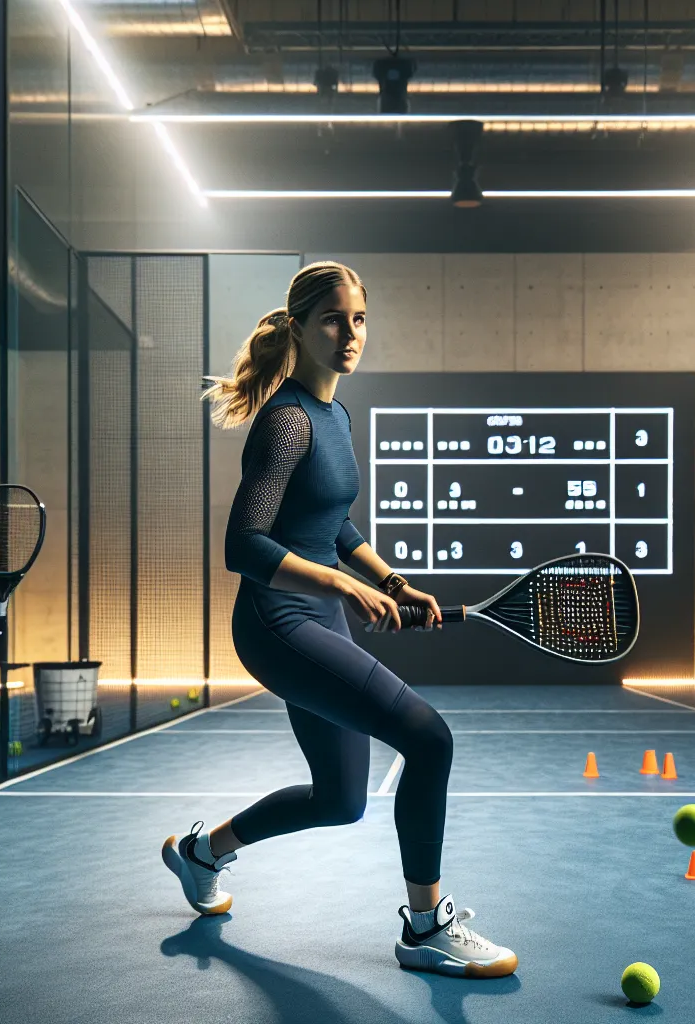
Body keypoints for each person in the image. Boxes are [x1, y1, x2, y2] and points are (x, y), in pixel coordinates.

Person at [162, 261, 517, 979]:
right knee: (429, 739)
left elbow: (333, 520)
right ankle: (424, 929)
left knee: (341, 800)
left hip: (320, 613)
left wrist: (390, 580)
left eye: (358, 320)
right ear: (298, 328)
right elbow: (245, 545)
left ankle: (202, 852)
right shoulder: (288, 422)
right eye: (332, 319)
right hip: (276, 620)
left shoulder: (335, 414)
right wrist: (343, 588)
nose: (349, 334)